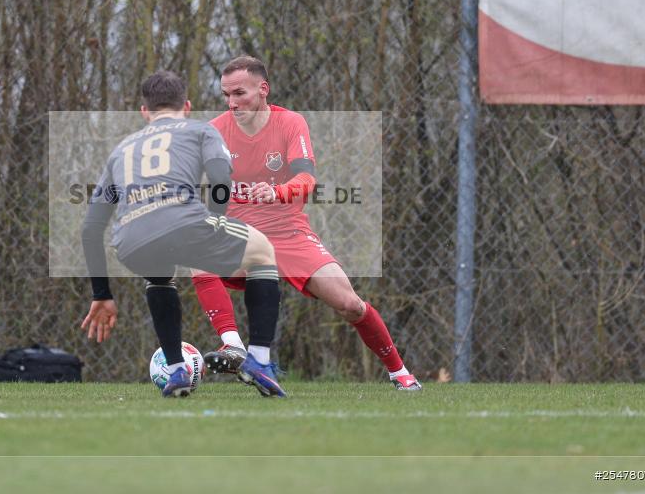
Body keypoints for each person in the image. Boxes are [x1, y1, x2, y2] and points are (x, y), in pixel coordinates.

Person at [193, 56, 422, 391]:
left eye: (239, 93)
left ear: (263, 90)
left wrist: (277, 191)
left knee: (349, 304)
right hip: (241, 232)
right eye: (226, 95)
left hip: (289, 232)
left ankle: (399, 371)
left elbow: (306, 178)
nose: (232, 102)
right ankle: (234, 347)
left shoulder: (290, 123)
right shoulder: (215, 131)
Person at [80, 69, 286, 397]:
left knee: (160, 278)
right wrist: (217, 222)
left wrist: (101, 294)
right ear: (187, 106)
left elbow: (91, 228)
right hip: (184, 224)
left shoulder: (121, 150)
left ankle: (177, 372)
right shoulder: (201, 131)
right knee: (263, 252)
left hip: (131, 241)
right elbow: (221, 180)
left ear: (144, 112)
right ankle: (258, 360)